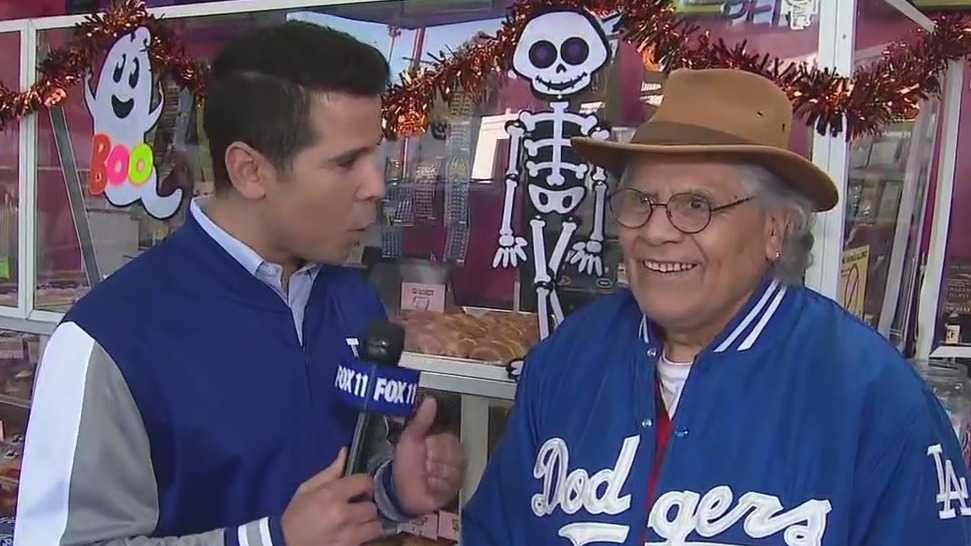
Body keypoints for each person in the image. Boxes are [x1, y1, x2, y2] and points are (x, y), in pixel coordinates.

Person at [462, 68, 971, 546]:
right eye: (639, 200)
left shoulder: (872, 398)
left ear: (775, 229)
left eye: (696, 205)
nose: (657, 231)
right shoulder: (566, 360)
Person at [15, 22, 465, 546]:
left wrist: (390, 492)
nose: (375, 186)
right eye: (346, 162)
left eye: (375, 155)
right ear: (251, 171)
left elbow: (335, 501)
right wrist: (268, 541)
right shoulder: (110, 339)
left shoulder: (352, 301)